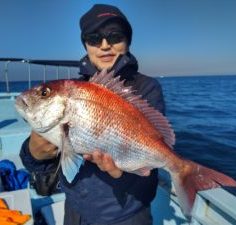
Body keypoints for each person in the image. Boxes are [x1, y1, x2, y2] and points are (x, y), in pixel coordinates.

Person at [20, 4, 166, 225]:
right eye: (94, 37)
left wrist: (122, 174)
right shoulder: (77, 88)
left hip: (126, 214)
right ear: (86, 44)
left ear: (128, 40)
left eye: (115, 36)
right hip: (75, 211)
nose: (105, 45)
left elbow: (151, 156)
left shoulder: (146, 88)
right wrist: (35, 153)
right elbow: (48, 165)